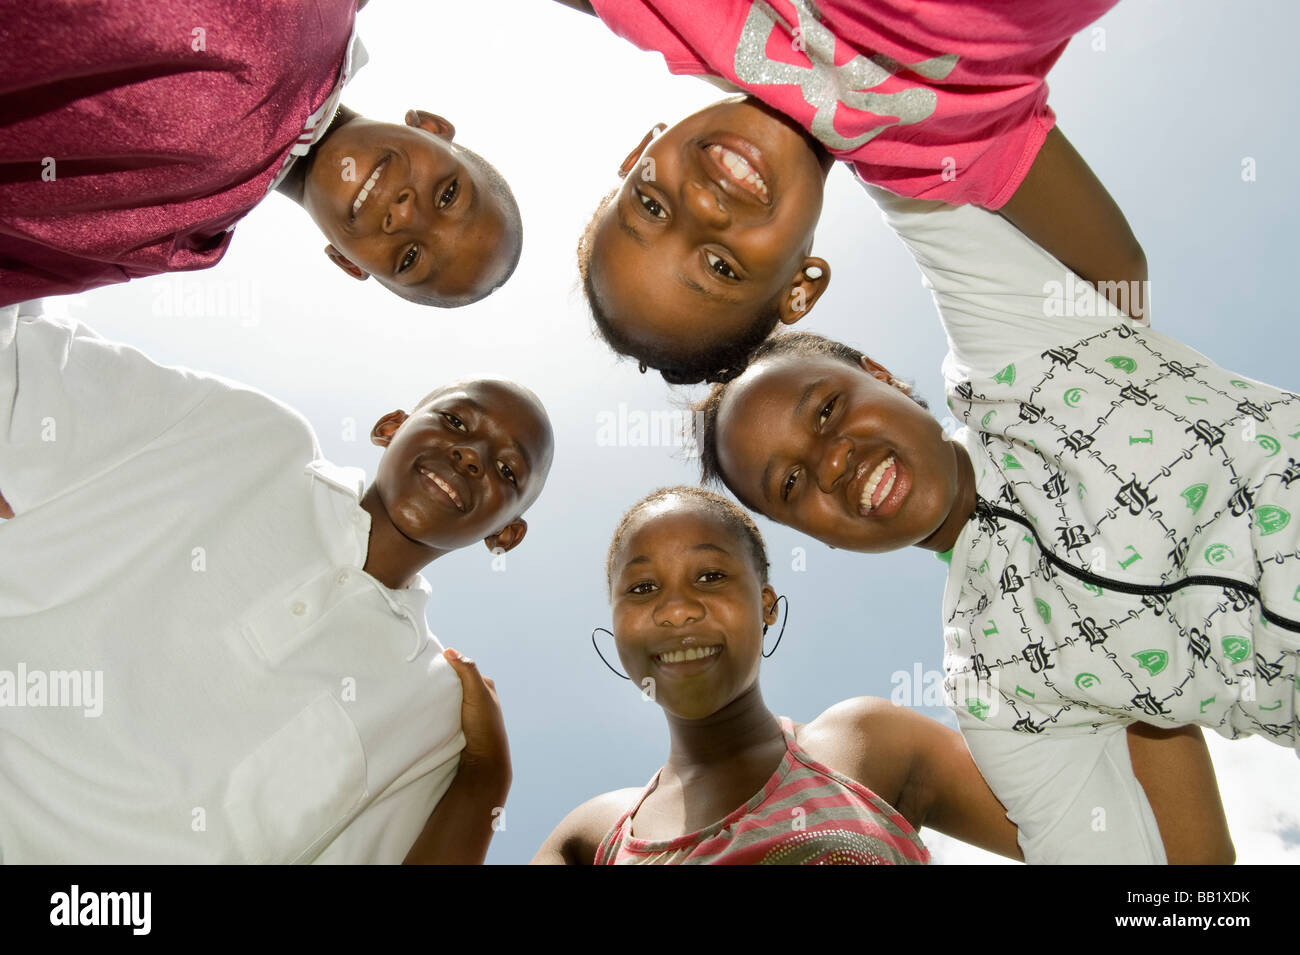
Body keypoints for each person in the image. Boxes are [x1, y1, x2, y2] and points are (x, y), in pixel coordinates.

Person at [691, 188, 1293, 862]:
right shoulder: (990, 677)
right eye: (792, 484)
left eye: (828, 409)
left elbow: (915, 161)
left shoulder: (1014, 357)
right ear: (817, 537)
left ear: (881, 375)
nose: (832, 461)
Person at [0, 301, 553, 863]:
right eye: (457, 421)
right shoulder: (256, 438)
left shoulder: (428, 708)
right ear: (391, 427)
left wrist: (486, 779)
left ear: (505, 534)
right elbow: (31, 352)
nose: (471, 455)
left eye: (508, 470)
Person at [537, 486, 1233, 865]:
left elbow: (1157, 860)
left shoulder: (863, 741)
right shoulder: (597, 832)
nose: (678, 608)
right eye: (642, 588)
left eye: (712, 575)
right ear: (613, 628)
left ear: (767, 605)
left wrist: (1127, 632)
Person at [553, 0, 1145, 383]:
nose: (704, 207)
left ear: (638, 158)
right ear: (800, 287)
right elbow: (1118, 275)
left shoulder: (669, 15)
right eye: (721, 266)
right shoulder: (928, 159)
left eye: (651, 206)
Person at [0, 0, 522, 309]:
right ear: (432, 126)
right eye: (450, 193)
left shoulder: (178, 244)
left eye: (409, 258)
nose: (407, 214)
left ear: (347, 263)